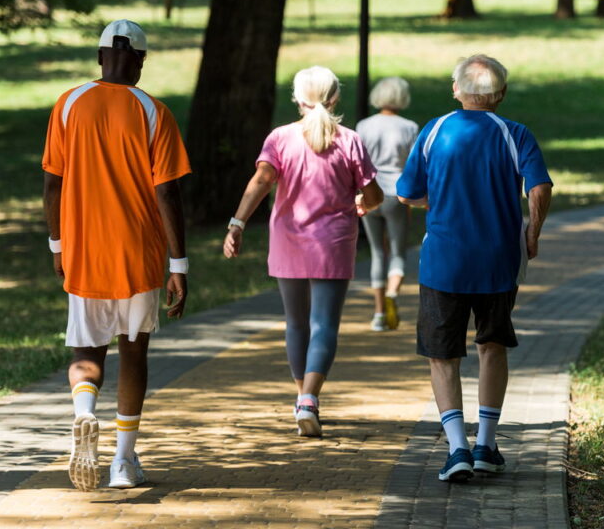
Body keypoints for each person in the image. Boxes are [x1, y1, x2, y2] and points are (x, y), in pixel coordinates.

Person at [42, 20, 191, 491]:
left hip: (84, 251)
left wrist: (57, 244)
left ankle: (85, 413)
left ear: (100, 55)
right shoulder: (154, 111)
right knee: (133, 352)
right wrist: (179, 264)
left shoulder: (68, 104)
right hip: (139, 255)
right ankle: (123, 462)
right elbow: (167, 192)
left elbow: (52, 183)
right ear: (141, 61)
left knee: (87, 350)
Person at [397, 55, 553, 482]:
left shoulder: (434, 131)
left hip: (444, 262)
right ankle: (486, 443)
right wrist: (533, 234)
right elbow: (539, 186)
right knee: (492, 346)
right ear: (500, 94)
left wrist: (437, 202)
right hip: (499, 260)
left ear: (456, 89)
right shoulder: (515, 133)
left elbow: (408, 193)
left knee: (442, 355)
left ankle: (457, 449)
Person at [223, 66, 383, 438]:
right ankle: (308, 399)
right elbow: (373, 194)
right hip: (334, 243)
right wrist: (365, 204)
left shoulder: (280, 138)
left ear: (297, 99)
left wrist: (237, 222)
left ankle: (303, 399)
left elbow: (262, 180)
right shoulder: (349, 140)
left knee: (296, 323)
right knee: (324, 324)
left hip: (289, 241)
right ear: (335, 98)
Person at [355, 77, 419, 332]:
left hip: (370, 193)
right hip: (396, 195)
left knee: (377, 252)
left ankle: (379, 312)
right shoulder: (410, 127)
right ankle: (393, 291)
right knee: (397, 251)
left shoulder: (364, 125)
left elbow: (356, 160)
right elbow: (414, 165)